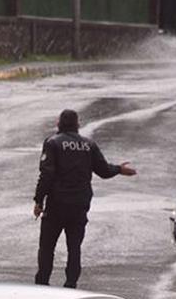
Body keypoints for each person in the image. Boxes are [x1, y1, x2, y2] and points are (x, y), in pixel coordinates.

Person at [33, 109, 137, 289]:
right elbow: (103, 171)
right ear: (77, 124)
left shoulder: (52, 143)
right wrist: (119, 169)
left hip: (57, 205)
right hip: (80, 205)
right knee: (74, 248)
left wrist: (38, 201)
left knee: (47, 247)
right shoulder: (89, 145)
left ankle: (42, 284)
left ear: (59, 124)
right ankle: (71, 284)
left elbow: (47, 175)